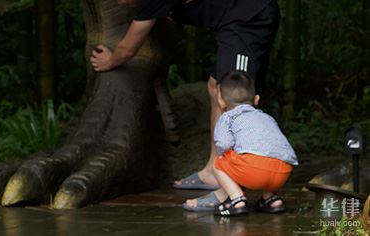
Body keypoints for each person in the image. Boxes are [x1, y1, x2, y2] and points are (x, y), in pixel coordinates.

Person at [90, 0, 281, 191]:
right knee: (216, 87)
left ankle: (231, 184)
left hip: (249, 17)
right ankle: (213, 171)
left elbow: (128, 48)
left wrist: (110, 61)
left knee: (234, 95)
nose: (120, 3)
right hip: (238, 20)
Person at [183, 71, 298, 215]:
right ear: (256, 99)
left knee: (218, 163)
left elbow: (223, 145)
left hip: (254, 170)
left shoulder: (228, 117)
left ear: (221, 101)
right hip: (283, 171)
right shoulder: (266, 116)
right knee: (267, 154)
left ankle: (236, 199)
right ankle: (272, 199)